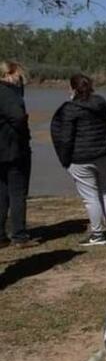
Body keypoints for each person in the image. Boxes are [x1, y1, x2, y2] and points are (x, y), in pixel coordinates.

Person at [51, 74, 106, 246]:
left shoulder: (69, 108)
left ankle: (97, 235)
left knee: (90, 197)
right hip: (104, 153)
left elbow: (64, 137)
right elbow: (105, 122)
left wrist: (64, 160)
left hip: (80, 158)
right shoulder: (101, 103)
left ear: (73, 88)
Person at [0, 60, 36, 249]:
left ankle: (1, 235)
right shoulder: (7, 93)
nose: (21, 79)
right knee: (17, 193)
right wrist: (24, 130)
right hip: (13, 150)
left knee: (2, 193)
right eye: (18, 75)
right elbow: (18, 117)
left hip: (4, 150)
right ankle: (20, 235)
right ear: (9, 73)